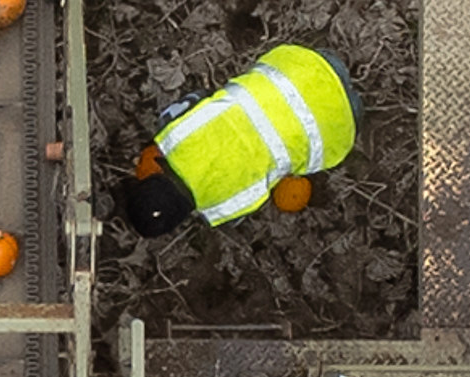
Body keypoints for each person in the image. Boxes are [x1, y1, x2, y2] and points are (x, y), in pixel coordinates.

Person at [110, 41, 353, 236]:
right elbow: (198, 96)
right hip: (302, 72)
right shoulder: (173, 133)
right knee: (331, 65)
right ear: (150, 176)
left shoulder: (223, 210)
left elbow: (271, 188)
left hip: (338, 131)